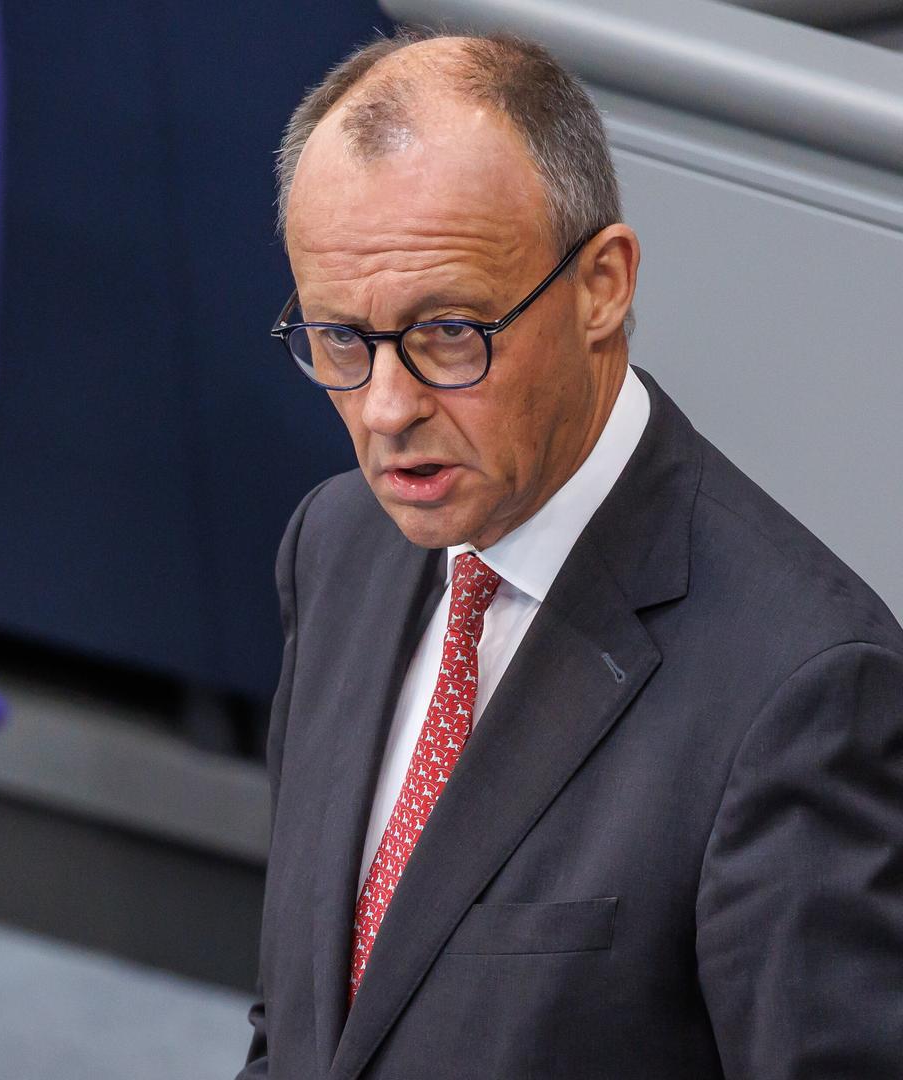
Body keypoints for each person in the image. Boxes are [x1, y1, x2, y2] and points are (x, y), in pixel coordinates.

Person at [242, 28, 903, 1079]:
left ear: (602, 285)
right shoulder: (335, 545)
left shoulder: (803, 692)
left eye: (448, 332)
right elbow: (303, 1030)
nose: (385, 410)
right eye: (340, 339)